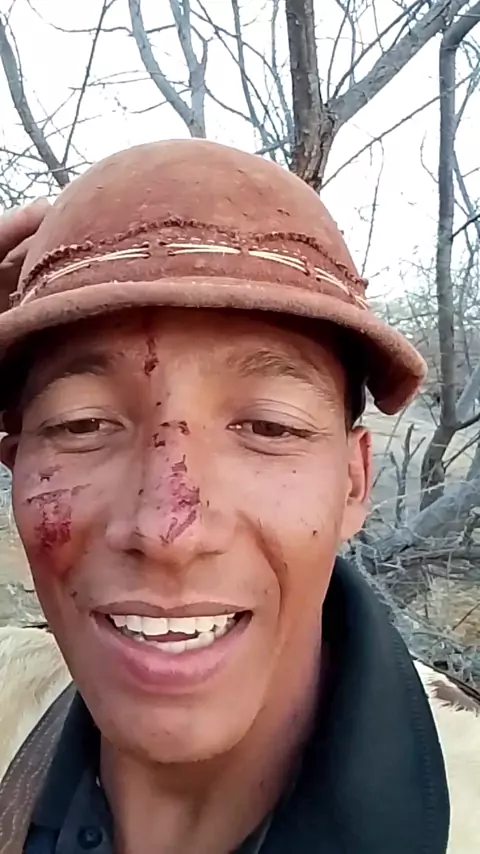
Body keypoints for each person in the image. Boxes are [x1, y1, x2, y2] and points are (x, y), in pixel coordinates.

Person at [0, 140, 459, 854]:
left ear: (353, 481)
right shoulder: (10, 700)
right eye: (82, 424)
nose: (169, 530)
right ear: (15, 463)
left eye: (270, 426)